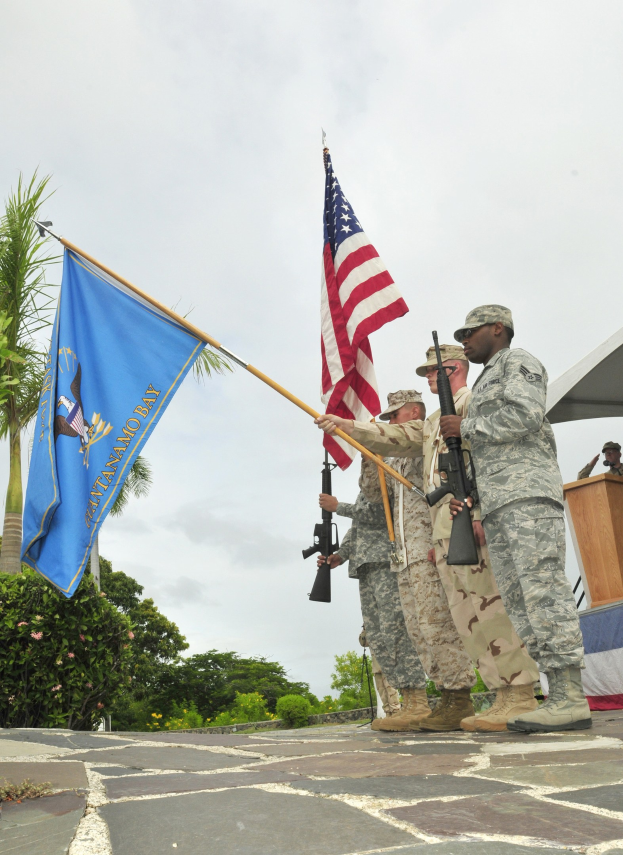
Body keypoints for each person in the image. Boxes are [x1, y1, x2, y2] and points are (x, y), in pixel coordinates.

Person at [441, 304, 590, 732]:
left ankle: (570, 696)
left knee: (543, 591)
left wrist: (464, 426)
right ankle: (556, 696)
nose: (465, 340)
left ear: (497, 329)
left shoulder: (518, 361)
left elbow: (525, 416)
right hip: (499, 502)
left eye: (471, 332)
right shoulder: (490, 375)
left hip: (527, 495)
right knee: (522, 601)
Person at [320, 391, 478, 733]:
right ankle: (439, 698)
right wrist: (369, 452)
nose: (390, 422)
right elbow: (375, 498)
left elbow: (375, 510)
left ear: (416, 412)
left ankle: (453, 695)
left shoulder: (425, 438)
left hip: (429, 545)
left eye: (395, 415)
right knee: (417, 628)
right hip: (401, 551)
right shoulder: (393, 460)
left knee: (435, 623)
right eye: (387, 418)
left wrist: (367, 433)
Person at [317, 481, 432, 731]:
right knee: (378, 637)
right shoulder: (366, 486)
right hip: (365, 566)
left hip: (385, 561)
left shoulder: (383, 474)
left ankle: (419, 703)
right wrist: (342, 554)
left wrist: (338, 507)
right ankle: (407, 702)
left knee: (396, 633)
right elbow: (358, 528)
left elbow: (382, 514)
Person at [359, 627, 401, 717]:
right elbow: (363, 643)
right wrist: (365, 629)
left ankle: (396, 713)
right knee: (381, 691)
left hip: (388, 664)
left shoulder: (384, 625)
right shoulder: (370, 630)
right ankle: (388, 714)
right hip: (377, 665)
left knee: (391, 689)